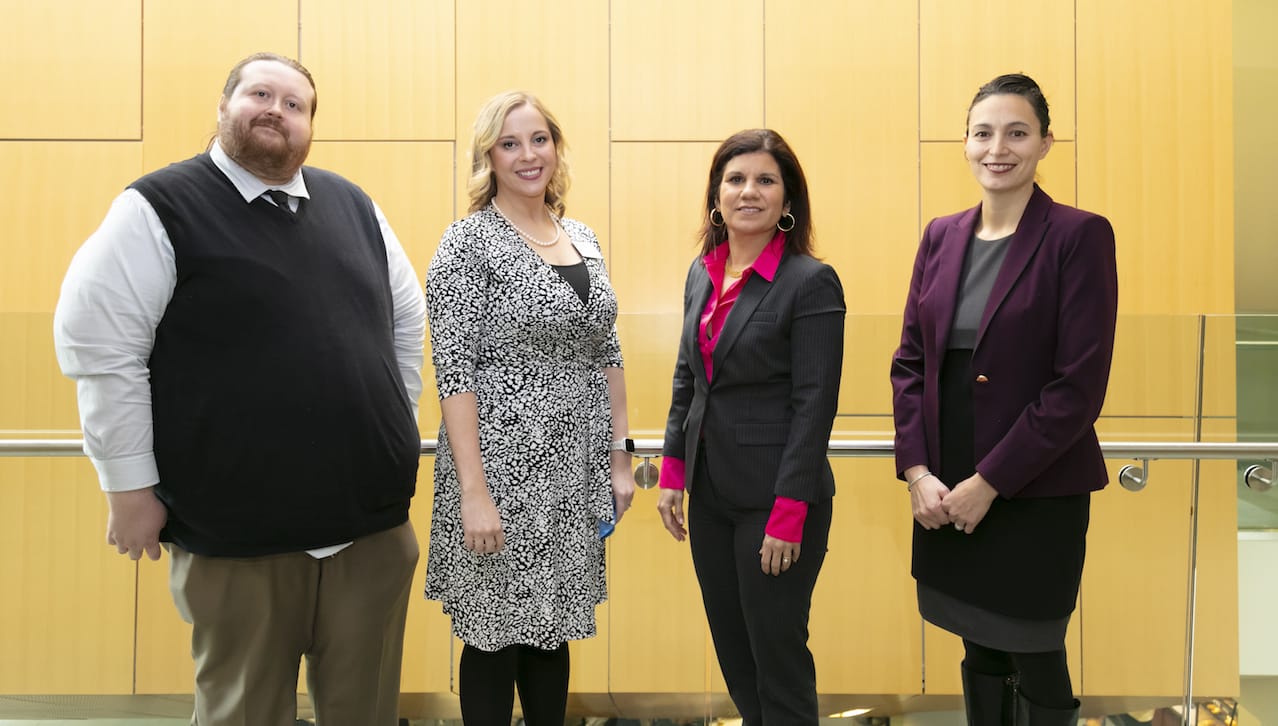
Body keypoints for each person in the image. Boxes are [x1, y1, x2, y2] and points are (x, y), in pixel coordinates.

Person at [52, 52, 424, 725]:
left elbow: (406, 321)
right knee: (243, 713)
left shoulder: (355, 206)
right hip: (238, 536)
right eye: (260, 94)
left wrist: (392, 428)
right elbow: (100, 347)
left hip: (369, 531)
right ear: (224, 106)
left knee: (364, 710)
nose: (275, 112)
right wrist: (128, 486)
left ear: (310, 125)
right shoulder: (158, 207)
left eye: (294, 104)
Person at [891, 73, 1118, 726]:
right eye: (983, 133)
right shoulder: (941, 235)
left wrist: (989, 483)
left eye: (1017, 132)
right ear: (965, 144)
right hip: (944, 482)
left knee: (1036, 649)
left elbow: (1078, 387)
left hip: (1032, 488)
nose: (999, 148)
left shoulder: (1078, 236)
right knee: (980, 648)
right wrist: (918, 473)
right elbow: (909, 363)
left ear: (1045, 142)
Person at [424, 90, 636, 726]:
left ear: (556, 146)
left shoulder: (582, 237)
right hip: (500, 471)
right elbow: (454, 370)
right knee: (494, 633)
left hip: (573, 472)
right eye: (509, 143)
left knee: (553, 628)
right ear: (488, 156)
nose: (527, 155)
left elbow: (609, 352)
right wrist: (473, 492)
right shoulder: (468, 243)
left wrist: (620, 459)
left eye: (538, 139)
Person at [656, 129, 846, 725]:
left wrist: (789, 513)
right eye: (736, 179)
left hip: (777, 503)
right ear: (717, 194)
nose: (749, 191)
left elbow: (815, 406)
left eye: (766, 180)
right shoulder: (702, 273)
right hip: (711, 497)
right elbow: (688, 377)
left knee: (777, 659)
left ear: (788, 201)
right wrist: (672, 472)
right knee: (736, 658)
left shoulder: (810, 281)